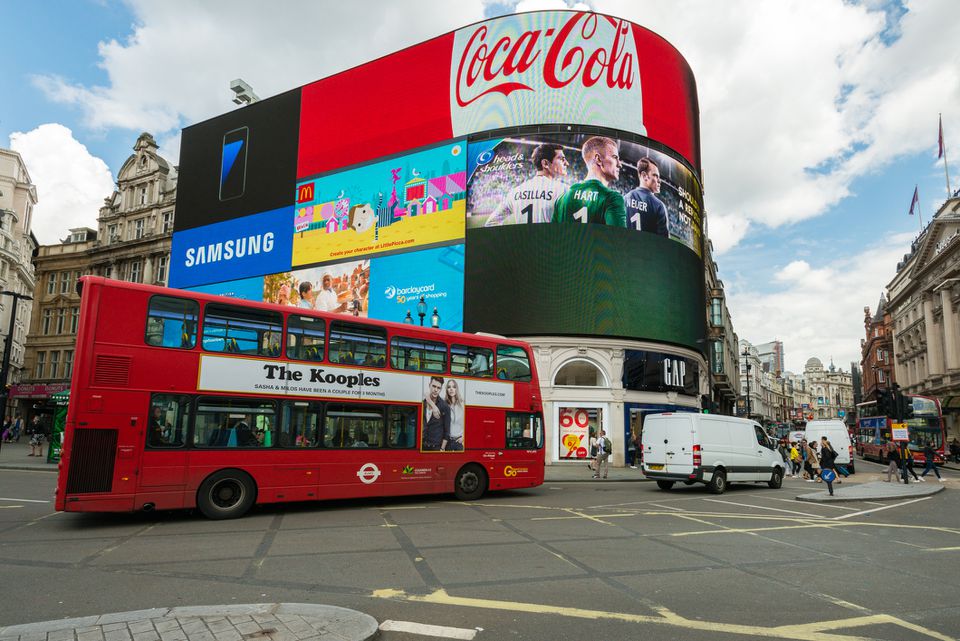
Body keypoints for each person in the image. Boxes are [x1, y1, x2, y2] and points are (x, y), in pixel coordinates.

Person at [486, 143, 569, 226]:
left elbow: (491, 223)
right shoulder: (563, 190)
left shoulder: (515, 192)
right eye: (561, 159)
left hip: (523, 238)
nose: (567, 163)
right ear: (545, 163)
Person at [552, 136, 626, 227]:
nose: (620, 164)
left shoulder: (562, 198)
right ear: (598, 159)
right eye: (615, 157)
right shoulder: (612, 198)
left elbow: (553, 237)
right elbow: (619, 240)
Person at [624, 157, 669, 237]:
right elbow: (664, 244)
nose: (659, 180)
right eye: (655, 175)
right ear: (644, 176)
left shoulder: (625, 198)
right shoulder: (659, 206)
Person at [422, 376, 451, 451]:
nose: (435, 390)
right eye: (434, 386)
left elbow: (447, 431)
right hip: (422, 446)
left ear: (441, 389)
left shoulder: (445, 407)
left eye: (438, 388)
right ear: (429, 385)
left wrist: (442, 448)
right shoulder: (423, 403)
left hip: (436, 448)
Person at [444, 379, 465, 451]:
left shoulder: (463, 404)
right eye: (449, 387)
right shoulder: (444, 404)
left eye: (454, 387)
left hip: (459, 441)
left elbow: (471, 423)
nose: (451, 389)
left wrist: (464, 437)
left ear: (457, 389)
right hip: (447, 442)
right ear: (447, 390)